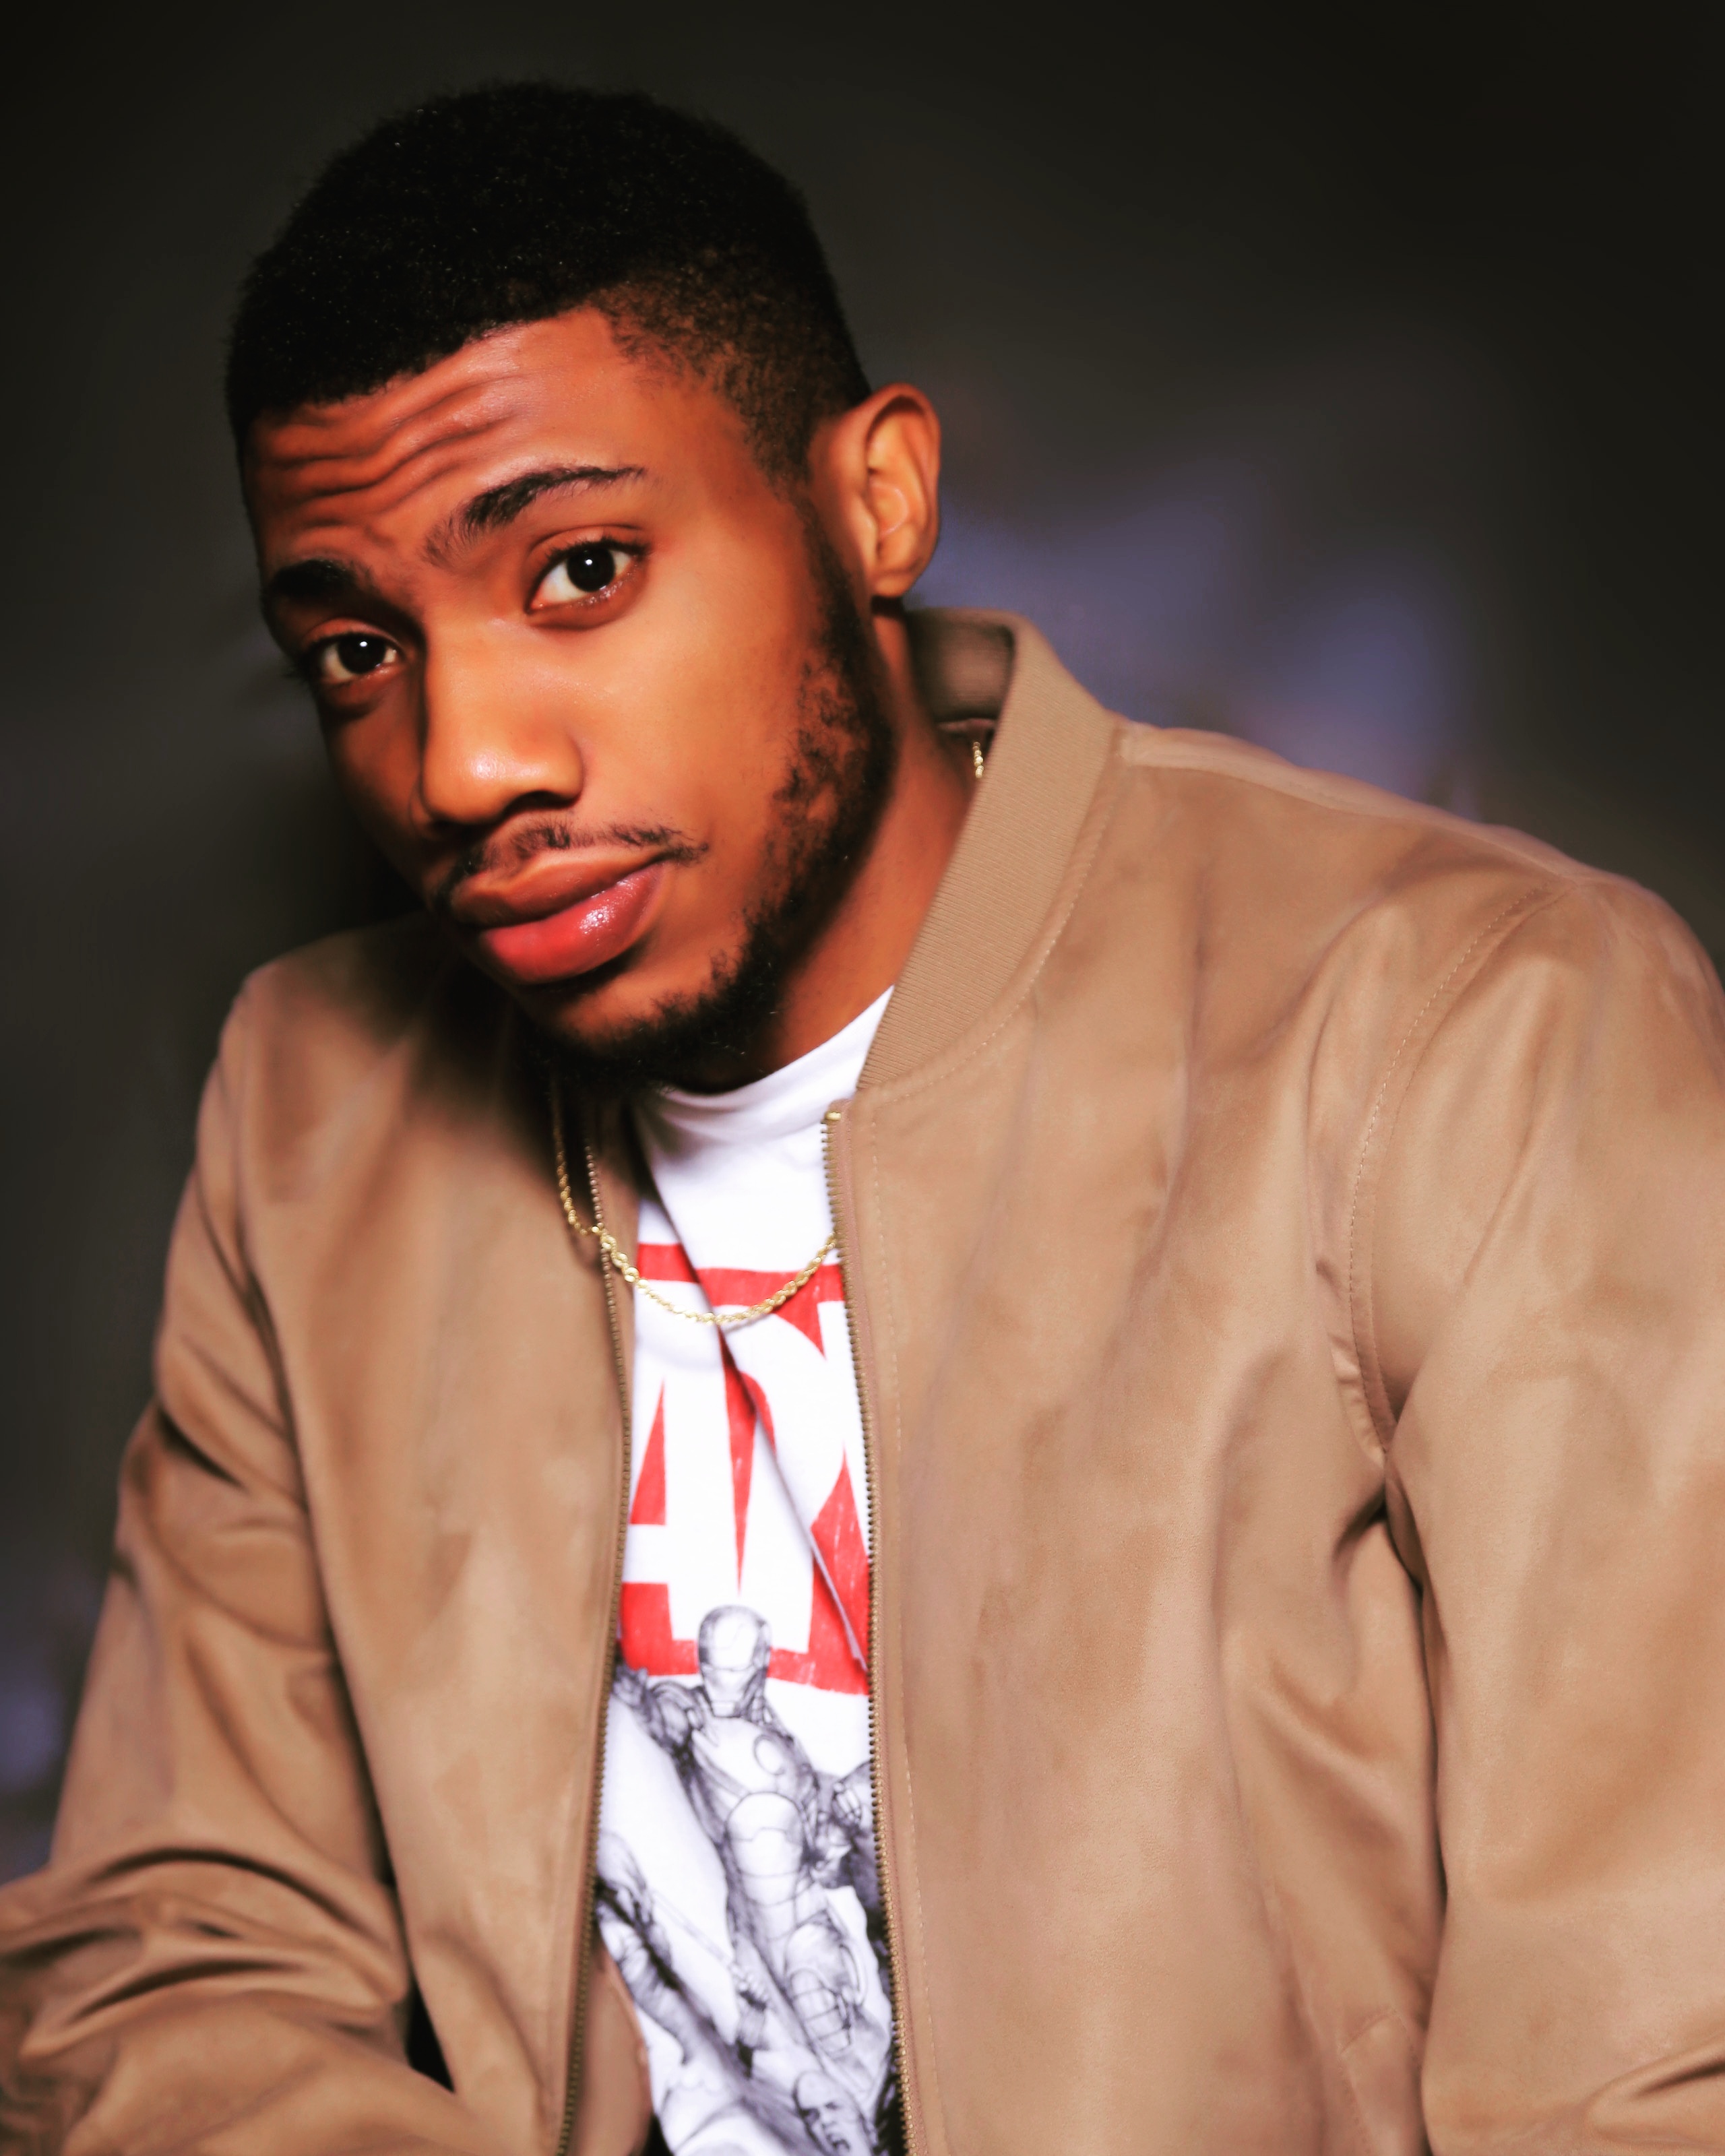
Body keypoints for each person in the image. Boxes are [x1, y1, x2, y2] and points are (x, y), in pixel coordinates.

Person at [3, 77, 1725, 2156]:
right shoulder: (318, 1111)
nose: (460, 766)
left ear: (878, 502)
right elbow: (181, 1956)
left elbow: (1653, 2062)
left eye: (581, 571)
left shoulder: (1476, 1028)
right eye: (361, 649)